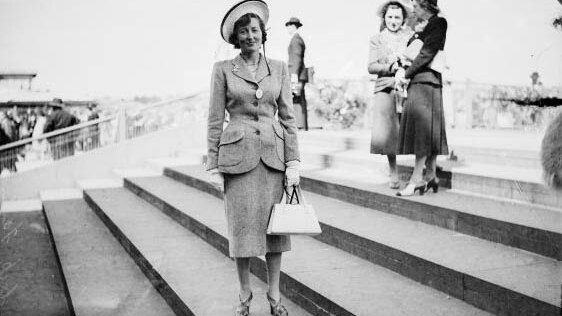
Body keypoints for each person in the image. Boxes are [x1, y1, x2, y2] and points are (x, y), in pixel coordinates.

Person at [206, 1, 300, 315]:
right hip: (237, 160)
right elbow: (214, 119)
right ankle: (244, 296)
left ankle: (275, 297)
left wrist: (294, 163)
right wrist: (214, 165)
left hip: (273, 158)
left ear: (263, 33)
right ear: (236, 37)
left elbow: (288, 119)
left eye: (255, 29)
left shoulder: (281, 67)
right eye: (243, 31)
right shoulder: (222, 70)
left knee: (275, 232)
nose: (250, 35)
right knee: (242, 232)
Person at [395, 0, 448, 196]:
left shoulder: (438, 23)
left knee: (424, 132)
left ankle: (416, 179)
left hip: (426, 82)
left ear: (426, 6)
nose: (413, 9)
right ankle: (431, 175)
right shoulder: (421, 27)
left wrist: (406, 73)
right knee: (428, 131)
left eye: (416, 5)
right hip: (422, 81)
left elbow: (426, 53)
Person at [368, 0, 414, 189]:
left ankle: (420, 172)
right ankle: (393, 172)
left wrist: (406, 69)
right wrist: (391, 67)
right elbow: (371, 66)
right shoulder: (377, 39)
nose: (393, 21)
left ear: (403, 19)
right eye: (390, 17)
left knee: (414, 130)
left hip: (408, 87)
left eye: (397, 17)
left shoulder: (411, 37)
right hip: (385, 87)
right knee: (389, 134)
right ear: (384, 18)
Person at [286, 17, 308, 130]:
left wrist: (294, 75)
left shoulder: (296, 40)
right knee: (297, 97)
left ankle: (299, 125)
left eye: (289, 25)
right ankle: (300, 124)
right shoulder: (297, 39)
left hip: (296, 74)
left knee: (296, 97)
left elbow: (297, 59)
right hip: (298, 73)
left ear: (294, 26)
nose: (288, 28)